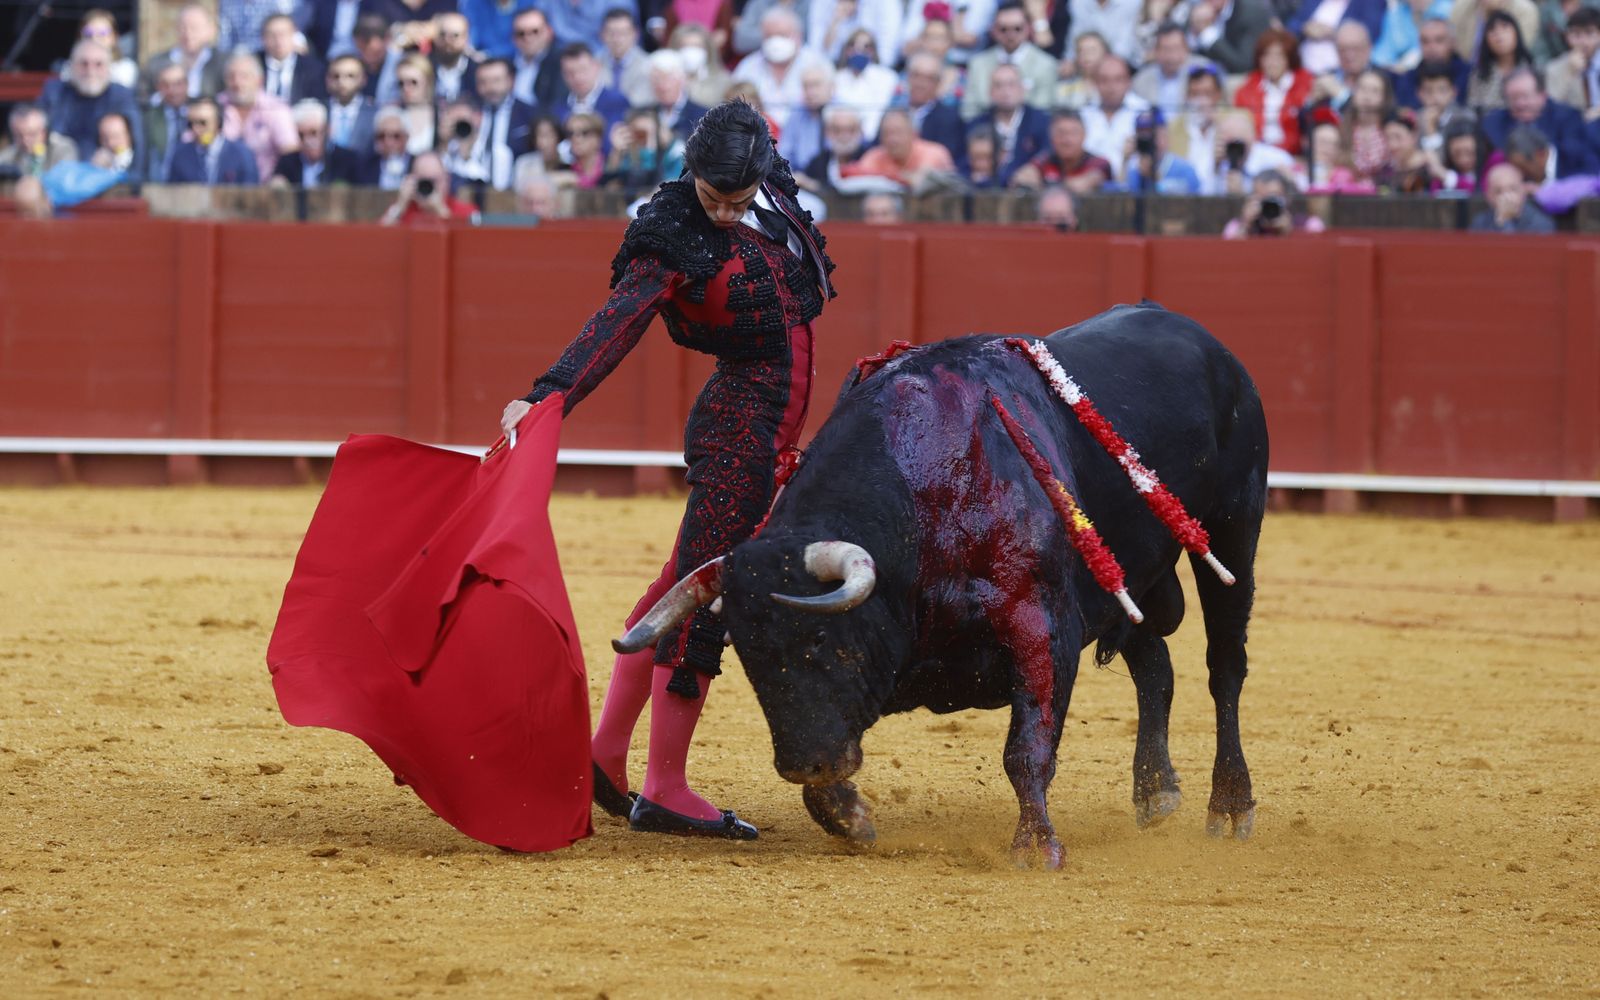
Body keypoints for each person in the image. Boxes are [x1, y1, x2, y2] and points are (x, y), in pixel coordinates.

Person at [498, 100, 836, 840]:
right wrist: (550, 394)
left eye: (736, 200)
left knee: (678, 589)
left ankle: (605, 755)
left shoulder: (765, 183)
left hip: (766, 428)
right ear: (690, 171)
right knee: (708, 599)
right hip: (742, 430)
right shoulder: (671, 229)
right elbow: (617, 321)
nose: (722, 211)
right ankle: (666, 787)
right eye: (713, 196)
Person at [39, 40, 143, 162]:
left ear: (109, 68)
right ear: (71, 66)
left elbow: (137, 144)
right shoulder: (54, 92)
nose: (90, 71)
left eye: (98, 64)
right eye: (84, 64)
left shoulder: (121, 96)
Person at [1483, 66, 1596, 177]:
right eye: (1513, 98)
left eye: (1525, 96)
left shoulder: (1569, 118)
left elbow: (1577, 159)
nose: (1520, 104)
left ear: (1542, 96)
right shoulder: (1495, 123)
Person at [731, 7, 832, 131]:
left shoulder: (817, 63)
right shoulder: (748, 67)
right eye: (769, 36)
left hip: (806, 137)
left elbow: (834, 105)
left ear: (798, 36)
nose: (775, 41)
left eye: (781, 35)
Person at [962, 2, 1060, 120]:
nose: (1010, 34)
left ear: (1028, 28)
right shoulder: (978, 64)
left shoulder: (1046, 64)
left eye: (1017, 28)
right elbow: (969, 111)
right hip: (986, 132)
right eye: (1003, 29)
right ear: (993, 30)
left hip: (1030, 134)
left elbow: (1045, 109)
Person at [1233, 27, 1316, 156]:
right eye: (1267, 56)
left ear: (1289, 58)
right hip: (1257, 152)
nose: (1272, 62)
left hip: (1294, 154)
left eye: (1278, 55)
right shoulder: (1246, 89)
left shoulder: (1306, 84)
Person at [969, 63, 1053, 184]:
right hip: (985, 192)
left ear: (1022, 89)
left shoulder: (1042, 122)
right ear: (990, 92)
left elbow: (1047, 154)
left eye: (1011, 85)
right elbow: (964, 164)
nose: (1005, 91)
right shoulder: (977, 124)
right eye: (998, 86)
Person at [842, 107, 957, 187]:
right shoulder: (874, 156)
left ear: (914, 134)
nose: (892, 139)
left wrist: (883, 176)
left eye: (898, 132)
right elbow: (855, 178)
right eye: (887, 133)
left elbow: (918, 182)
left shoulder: (934, 153)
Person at [1009, 107, 1113, 192]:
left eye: (1073, 133)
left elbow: (1082, 185)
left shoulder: (1099, 163)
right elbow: (1020, 178)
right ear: (1051, 136)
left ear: (1084, 135)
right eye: (1060, 133)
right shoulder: (1045, 159)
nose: (1067, 140)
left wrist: (1042, 185)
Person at [1081, 55, 1150, 178]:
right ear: (1095, 83)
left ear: (1128, 82)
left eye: (1118, 80)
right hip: (1090, 190)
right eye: (1104, 80)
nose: (1111, 87)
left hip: (1133, 188)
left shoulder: (1144, 112)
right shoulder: (1084, 114)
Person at [167, 97, 260, 185]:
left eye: (203, 123)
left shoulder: (241, 154)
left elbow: (250, 194)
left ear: (218, 123)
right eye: (191, 124)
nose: (196, 129)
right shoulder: (180, 155)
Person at [273, 100, 363, 187]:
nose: (307, 141)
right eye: (301, 135)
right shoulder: (287, 163)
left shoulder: (348, 161)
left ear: (328, 131)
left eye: (313, 133)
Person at [143, 4, 224, 100]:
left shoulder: (222, 63)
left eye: (194, 28)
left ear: (210, 30)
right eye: (183, 27)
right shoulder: (155, 64)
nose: (188, 34)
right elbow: (143, 98)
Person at [831, 28, 900, 139]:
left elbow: (883, 111)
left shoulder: (888, 77)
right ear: (846, 50)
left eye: (866, 47)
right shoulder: (836, 78)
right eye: (853, 46)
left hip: (876, 138)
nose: (859, 51)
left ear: (873, 51)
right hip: (843, 135)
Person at [896, 51, 965, 160]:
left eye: (929, 78)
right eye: (916, 75)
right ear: (907, 77)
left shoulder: (950, 119)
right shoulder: (894, 114)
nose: (920, 83)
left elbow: (947, 160)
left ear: (938, 83)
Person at [1392, 16, 1472, 108]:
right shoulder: (1408, 79)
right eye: (1425, 41)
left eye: (1439, 40)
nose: (1431, 47)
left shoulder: (1470, 75)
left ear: (1453, 43)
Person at [381, 150, 482, 224]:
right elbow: (378, 238)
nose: (428, 187)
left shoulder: (464, 211)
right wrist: (399, 206)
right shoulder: (403, 209)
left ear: (446, 181)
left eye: (434, 181)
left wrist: (441, 211)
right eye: (423, 181)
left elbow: (466, 242)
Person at [1132, 22, 1209, 116]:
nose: (1172, 56)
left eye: (1176, 48)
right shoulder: (1142, 80)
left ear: (1186, 48)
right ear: (1155, 51)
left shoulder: (1204, 70)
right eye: (1166, 49)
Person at [1118, 107, 1203, 192]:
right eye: (1141, 134)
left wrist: (1153, 177)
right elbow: (1120, 196)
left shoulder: (1184, 170)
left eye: (1152, 134)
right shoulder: (1134, 172)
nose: (1147, 139)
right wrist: (1125, 161)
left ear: (1165, 136)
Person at [1223, 168, 1327, 236]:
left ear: (1287, 198)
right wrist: (1246, 227)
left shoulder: (1309, 225)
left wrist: (1289, 231)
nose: (1268, 203)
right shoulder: (1237, 226)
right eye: (1261, 198)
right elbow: (1227, 253)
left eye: (1273, 197)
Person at [1467, 10, 1536, 111]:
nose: (1498, 35)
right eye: (1492, 30)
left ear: (1516, 33)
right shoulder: (1479, 75)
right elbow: (1474, 110)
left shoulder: (1532, 70)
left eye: (1505, 27)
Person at [1187, 0, 1273, 74]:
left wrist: (1206, 31)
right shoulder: (1198, 13)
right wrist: (1196, 32)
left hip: (1248, 78)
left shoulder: (1250, 12)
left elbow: (1243, 66)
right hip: (1212, 78)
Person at [1544, 6, 1600, 118]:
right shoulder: (1554, 68)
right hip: (1574, 129)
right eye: (1576, 34)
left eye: (1589, 33)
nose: (1583, 41)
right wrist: (1568, 72)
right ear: (1567, 37)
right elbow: (1549, 107)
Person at [260, 13, 327, 106]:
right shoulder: (253, 65)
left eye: (283, 34)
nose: (278, 40)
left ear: (294, 34)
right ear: (263, 38)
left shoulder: (314, 69)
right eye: (272, 35)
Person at [1470, 159, 1556, 230]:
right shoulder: (1479, 223)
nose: (1506, 197)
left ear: (1523, 191)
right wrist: (1501, 221)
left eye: (1513, 189)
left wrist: (1505, 221)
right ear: (1488, 196)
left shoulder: (1541, 223)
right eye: (1498, 191)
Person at [512, 7, 569, 109]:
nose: (528, 38)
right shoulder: (508, 65)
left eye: (535, 31)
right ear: (513, 38)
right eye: (521, 33)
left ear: (549, 32)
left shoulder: (561, 63)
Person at [0, 105, 78, 177]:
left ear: (43, 132)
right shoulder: (8, 157)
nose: (25, 140)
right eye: (19, 135)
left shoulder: (63, 149)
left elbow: (66, 183)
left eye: (31, 134)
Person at [598, 7, 654, 107]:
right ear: (602, 35)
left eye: (622, 33)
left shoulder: (648, 65)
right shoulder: (594, 64)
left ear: (635, 34)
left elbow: (640, 103)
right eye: (611, 33)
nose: (616, 39)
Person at [72, 9, 139, 91]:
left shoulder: (125, 69)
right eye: (88, 33)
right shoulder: (70, 68)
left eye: (102, 33)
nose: (94, 38)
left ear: (114, 37)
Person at [326, 56, 378, 154]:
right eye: (336, 76)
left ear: (363, 79)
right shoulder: (319, 111)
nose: (342, 81)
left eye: (350, 76)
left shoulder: (375, 113)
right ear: (327, 79)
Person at [431, 12, 482, 104]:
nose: (447, 40)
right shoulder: (426, 67)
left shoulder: (478, 71)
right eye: (442, 35)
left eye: (455, 35)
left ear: (466, 38)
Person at [358, 108, 414, 188]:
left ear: (406, 137)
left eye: (396, 136)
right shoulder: (364, 167)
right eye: (382, 136)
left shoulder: (417, 165)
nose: (388, 142)